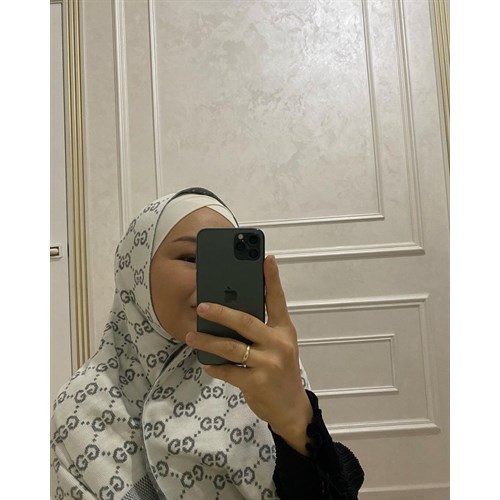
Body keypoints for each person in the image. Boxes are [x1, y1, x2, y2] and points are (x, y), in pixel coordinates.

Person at [51, 187, 364, 500]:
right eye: (190, 258)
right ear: (136, 272)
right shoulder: (80, 405)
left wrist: (297, 422)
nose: (217, 279)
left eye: (229, 263)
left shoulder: (266, 367)